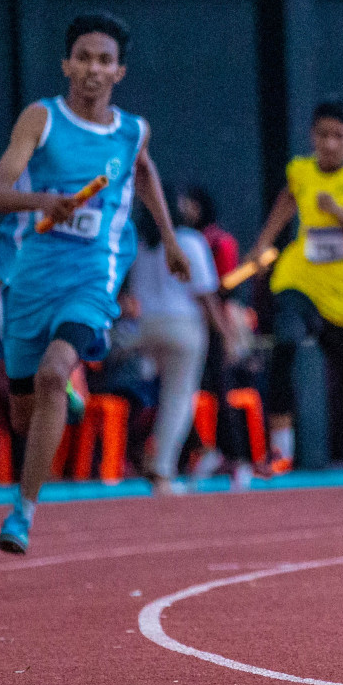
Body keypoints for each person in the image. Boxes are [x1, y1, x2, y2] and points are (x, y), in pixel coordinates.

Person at [0, 12, 188, 554]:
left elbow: (143, 171)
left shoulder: (131, 130)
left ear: (119, 71)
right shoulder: (41, 119)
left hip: (93, 277)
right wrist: (41, 201)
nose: (93, 69)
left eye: (105, 60)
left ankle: (22, 515)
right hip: (30, 278)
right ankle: (61, 401)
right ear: (66, 65)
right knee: (24, 416)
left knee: (55, 372)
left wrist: (168, 239)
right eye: (84, 58)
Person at [246, 97, 343, 473]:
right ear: (312, 136)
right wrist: (262, 244)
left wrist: (341, 214)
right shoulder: (301, 170)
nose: (330, 144)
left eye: (339, 136)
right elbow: (287, 200)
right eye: (323, 135)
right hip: (301, 279)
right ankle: (281, 446)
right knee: (284, 341)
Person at [129, 195, 235, 494]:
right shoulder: (189, 240)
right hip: (183, 326)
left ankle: (164, 456)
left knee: (165, 397)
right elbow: (204, 292)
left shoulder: (142, 243)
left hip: (147, 327)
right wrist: (224, 332)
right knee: (178, 399)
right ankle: (162, 469)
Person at [179, 184, 255, 482]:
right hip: (188, 323)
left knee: (221, 391)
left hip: (212, 323)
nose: (185, 210)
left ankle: (237, 459)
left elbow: (223, 285)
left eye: (190, 204)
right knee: (182, 394)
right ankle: (204, 452)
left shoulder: (218, 241)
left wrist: (222, 328)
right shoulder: (183, 239)